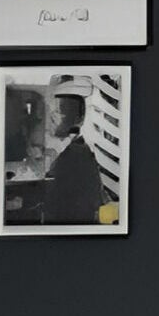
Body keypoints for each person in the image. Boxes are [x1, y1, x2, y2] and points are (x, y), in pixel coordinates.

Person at [40, 80, 104, 224]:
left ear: (77, 119)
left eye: (58, 111)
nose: (52, 117)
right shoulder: (73, 150)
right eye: (52, 111)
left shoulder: (77, 156)